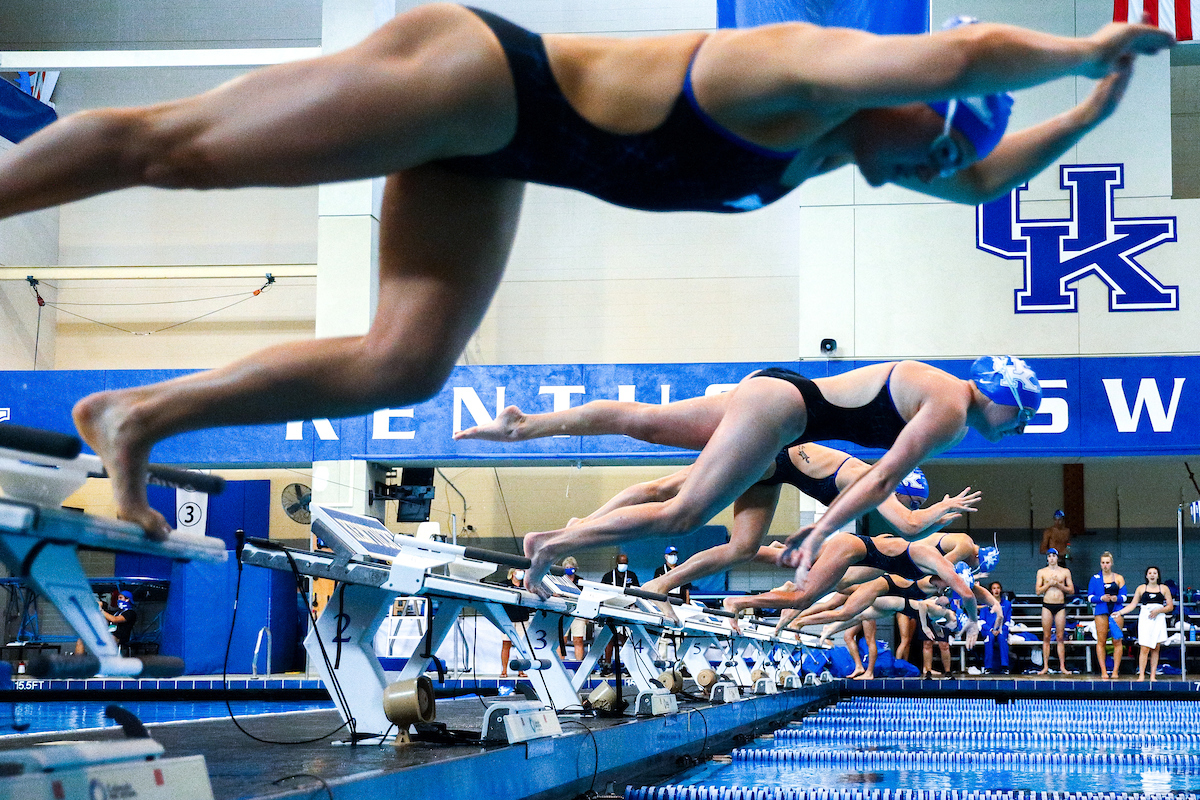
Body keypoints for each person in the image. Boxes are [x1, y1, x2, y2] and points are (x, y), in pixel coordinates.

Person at [0, 4, 1169, 539]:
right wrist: (1089, 44)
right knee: (181, 152)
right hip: (469, 73)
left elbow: (979, 178)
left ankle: (136, 410)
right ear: (920, 100)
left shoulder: (855, 140)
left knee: (403, 367)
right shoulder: (809, 68)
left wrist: (1099, 107)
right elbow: (967, 49)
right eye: (938, 138)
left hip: (496, 150)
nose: (933, 168)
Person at [467, 356, 1035, 596]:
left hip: (782, 398)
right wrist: (818, 533)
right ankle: (551, 542)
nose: (1021, 427)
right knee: (683, 510)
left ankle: (523, 425)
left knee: (650, 425)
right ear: (1002, 397)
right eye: (1023, 415)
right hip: (784, 414)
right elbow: (882, 480)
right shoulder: (952, 411)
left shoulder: (941, 391)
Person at [1115, 566, 1174, 682]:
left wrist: (1158, 611)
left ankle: (1153, 675)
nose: (1152, 575)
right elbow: (1132, 605)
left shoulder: (1164, 588)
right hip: (1145, 619)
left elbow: (1170, 606)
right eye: (1150, 573)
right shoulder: (1141, 588)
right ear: (1146, 576)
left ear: (1158, 575)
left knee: (1156, 647)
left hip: (1158, 619)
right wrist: (1119, 612)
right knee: (1144, 647)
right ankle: (1141, 674)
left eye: (1154, 573)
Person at [1036, 548, 1074, 675]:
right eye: (1049, 556)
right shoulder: (1041, 572)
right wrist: (1049, 584)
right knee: (1046, 637)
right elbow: (1038, 591)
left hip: (1060, 606)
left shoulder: (1065, 572)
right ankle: (1045, 666)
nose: (1052, 558)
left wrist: (1059, 585)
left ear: (1057, 558)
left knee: (1060, 637)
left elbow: (1071, 590)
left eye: (1054, 556)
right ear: (1047, 558)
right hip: (1047, 605)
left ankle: (1062, 666)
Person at [1088, 552, 1127, 678]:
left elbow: (1125, 596)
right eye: (1103, 563)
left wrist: (1117, 598)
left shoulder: (1119, 578)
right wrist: (1101, 598)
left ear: (1111, 563)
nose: (1105, 565)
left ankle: (1115, 671)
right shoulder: (1095, 579)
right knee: (1101, 641)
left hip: (1116, 610)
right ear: (1100, 564)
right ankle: (1104, 671)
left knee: (1117, 640)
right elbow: (1089, 597)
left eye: (1107, 563)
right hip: (1101, 610)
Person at [498, 567, 530, 678]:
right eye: (519, 570)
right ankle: (504, 670)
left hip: (522, 619)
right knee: (506, 644)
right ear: (512, 573)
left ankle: (521, 670)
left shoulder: (526, 586)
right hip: (508, 619)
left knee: (522, 645)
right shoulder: (504, 585)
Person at [558, 557, 588, 661]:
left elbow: (585, 598)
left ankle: (578, 663)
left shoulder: (581, 581)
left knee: (578, 640)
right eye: (567, 567)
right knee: (562, 640)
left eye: (571, 567)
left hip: (577, 614)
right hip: (563, 613)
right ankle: (561, 663)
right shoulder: (559, 580)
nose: (569, 569)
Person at [981, 580, 1012, 675]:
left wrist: (1000, 629)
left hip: (1001, 629)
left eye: (998, 588)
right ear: (991, 590)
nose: (996, 590)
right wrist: (991, 629)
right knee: (989, 638)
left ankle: (1005, 666)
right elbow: (982, 621)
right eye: (994, 588)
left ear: (1001, 590)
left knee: (1002, 638)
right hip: (988, 629)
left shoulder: (1006, 604)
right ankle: (988, 667)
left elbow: (1008, 620)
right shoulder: (985, 603)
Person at [101, 591, 137, 656]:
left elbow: (114, 619)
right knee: (82, 639)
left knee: (109, 639)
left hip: (119, 637)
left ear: (127, 599)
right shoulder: (117, 612)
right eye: (118, 598)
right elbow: (108, 619)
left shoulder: (130, 613)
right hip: (109, 633)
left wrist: (100, 610)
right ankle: (79, 662)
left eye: (120, 598)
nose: (118, 600)